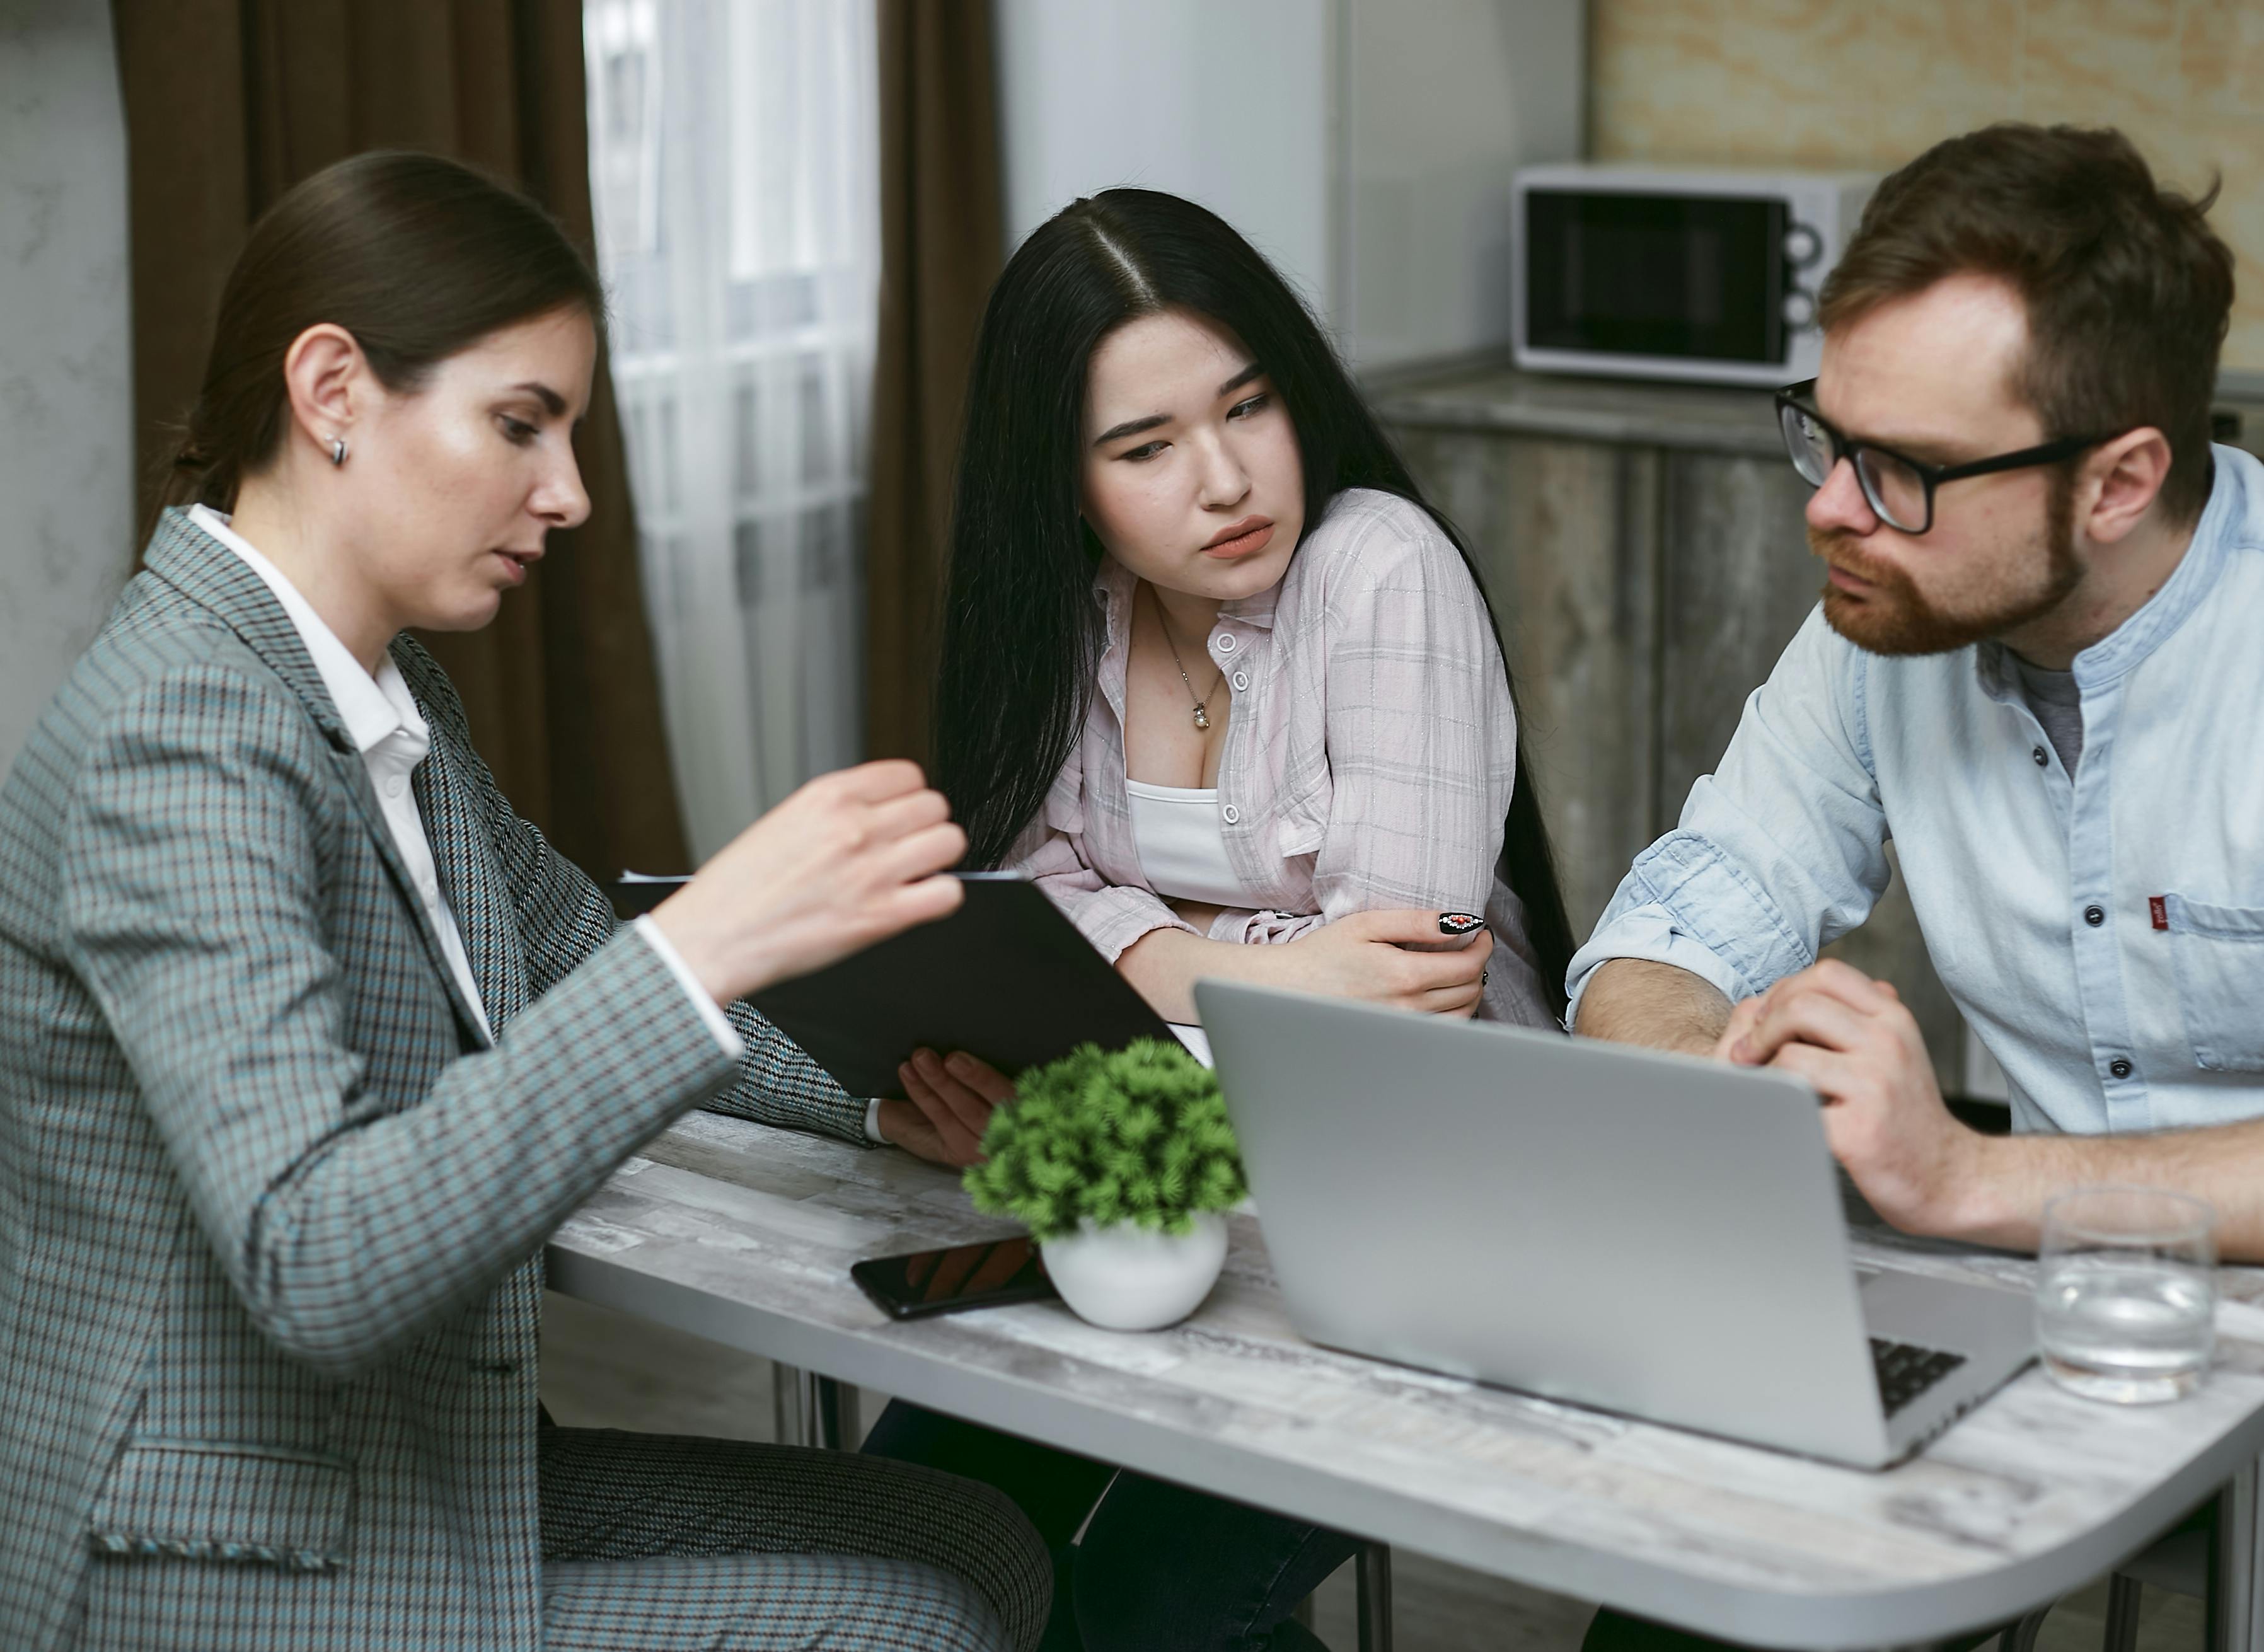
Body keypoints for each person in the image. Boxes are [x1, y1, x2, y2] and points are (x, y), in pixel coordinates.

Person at [0, 151, 1050, 1652]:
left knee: (975, 1540)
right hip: (215, 1560)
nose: (567, 495)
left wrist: (887, 1100)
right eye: (519, 425)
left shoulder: (370, 681)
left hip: (394, 1476)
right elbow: (317, 1256)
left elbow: (566, 956)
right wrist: (706, 941)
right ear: (333, 390)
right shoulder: (181, 738)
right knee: (908, 1625)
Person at [1567, 122, 2251, 1650]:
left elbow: (1960, 1187)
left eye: (1905, 472)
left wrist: (1963, 1182)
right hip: (2030, 1309)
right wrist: (1728, 1079)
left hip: (2112, 1274)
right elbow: (1664, 934)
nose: (1829, 508)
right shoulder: (1883, 630)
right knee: (1694, 1582)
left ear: (2118, 480)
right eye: (1825, 436)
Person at [867, 188, 1580, 1652]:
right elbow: (1023, 902)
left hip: (1430, 1220)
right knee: (903, 1533)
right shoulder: (1067, 621)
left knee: (1150, 1609)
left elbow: (1400, 994)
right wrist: (1248, 959)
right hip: (1169, 1199)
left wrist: (1116, 992)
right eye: (1143, 449)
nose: (1224, 478)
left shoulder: (1380, 568)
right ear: (1063, 482)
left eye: (1248, 407)